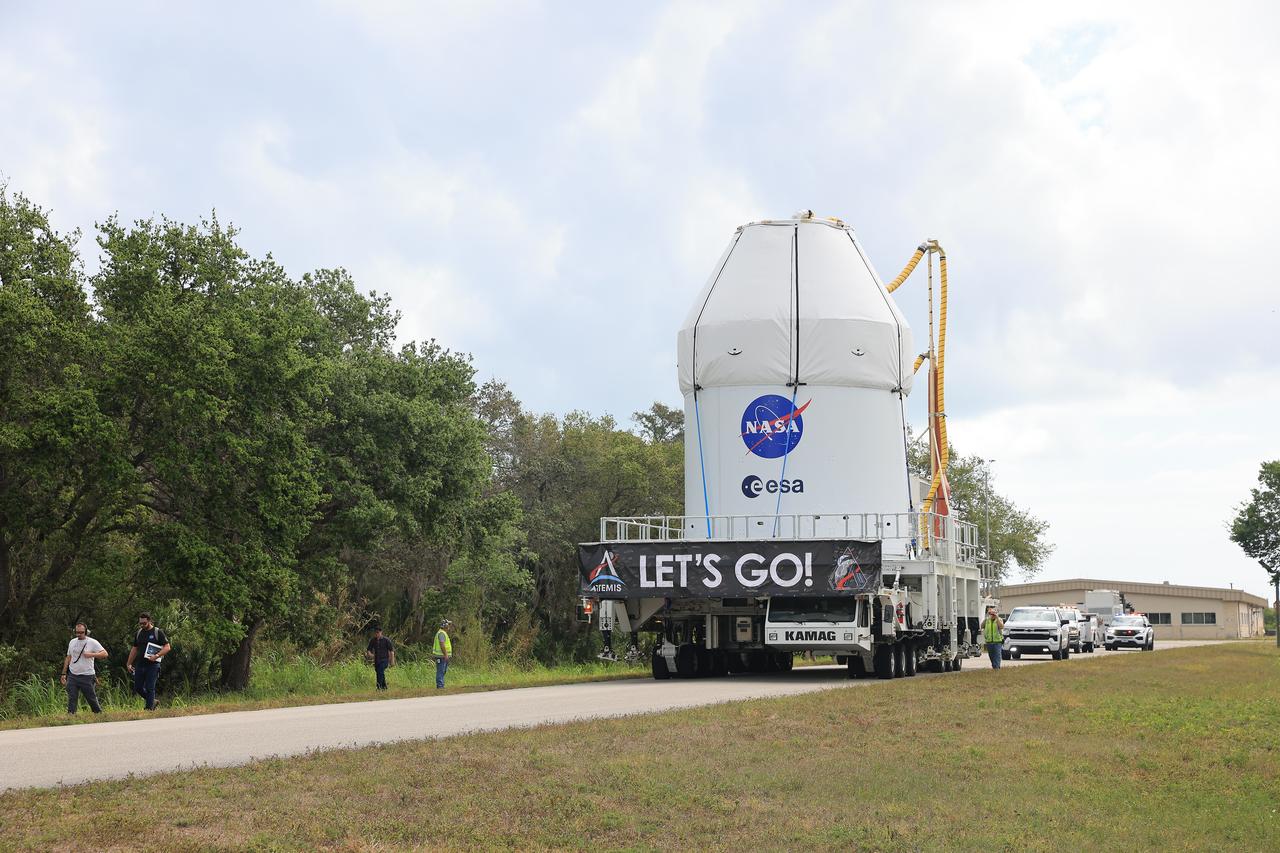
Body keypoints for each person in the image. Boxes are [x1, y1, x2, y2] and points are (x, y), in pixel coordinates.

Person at [61, 622, 109, 714]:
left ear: (86, 632)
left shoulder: (92, 642)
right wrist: (64, 673)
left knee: (91, 698)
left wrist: (91, 654)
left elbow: (105, 654)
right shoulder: (72, 642)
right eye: (77, 632)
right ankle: (71, 715)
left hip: (87, 675)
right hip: (73, 675)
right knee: (72, 697)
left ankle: (98, 714)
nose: (79, 634)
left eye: (81, 632)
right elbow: (68, 657)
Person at [125, 612, 170, 710]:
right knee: (138, 687)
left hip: (153, 665)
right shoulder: (139, 633)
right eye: (140, 623)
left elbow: (167, 647)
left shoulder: (157, 632)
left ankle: (149, 709)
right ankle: (152, 701)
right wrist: (129, 663)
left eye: (144, 623)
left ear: (149, 621)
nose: (142, 625)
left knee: (150, 687)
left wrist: (157, 655)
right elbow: (134, 648)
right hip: (140, 664)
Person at [433, 619, 453, 688]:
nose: (449, 626)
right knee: (441, 671)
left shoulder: (442, 633)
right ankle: (440, 686)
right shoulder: (441, 633)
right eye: (448, 625)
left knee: (443, 671)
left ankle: (441, 685)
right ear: (445, 626)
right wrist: (446, 655)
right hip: (441, 656)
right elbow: (442, 645)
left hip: (442, 656)